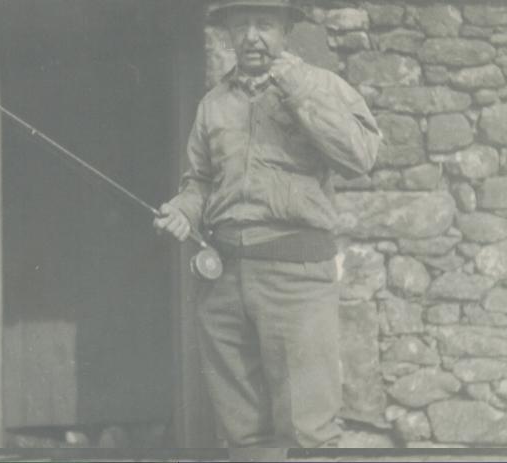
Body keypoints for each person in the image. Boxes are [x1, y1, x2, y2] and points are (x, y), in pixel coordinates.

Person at [154, 0, 381, 459]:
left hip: (295, 279)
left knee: (308, 432)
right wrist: (183, 209)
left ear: (285, 30)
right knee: (243, 434)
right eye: (242, 26)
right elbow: (198, 182)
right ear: (228, 34)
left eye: (264, 24)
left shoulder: (321, 86)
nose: (252, 36)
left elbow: (360, 157)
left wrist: (295, 88)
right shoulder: (213, 105)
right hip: (223, 283)